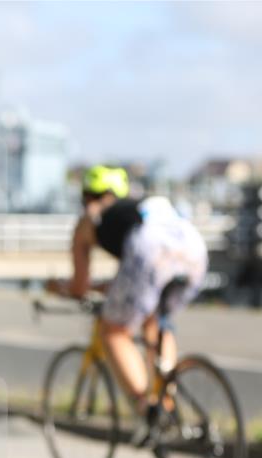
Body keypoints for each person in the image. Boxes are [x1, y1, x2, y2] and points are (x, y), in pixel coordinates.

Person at [47, 165, 208, 417]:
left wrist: (58, 287)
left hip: (149, 248)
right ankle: (166, 396)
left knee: (113, 331)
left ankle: (146, 408)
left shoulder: (89, 218)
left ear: (87, 196)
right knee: (154, 321)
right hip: (193, 247)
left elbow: (80, 286)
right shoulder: (140, 206)